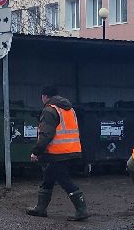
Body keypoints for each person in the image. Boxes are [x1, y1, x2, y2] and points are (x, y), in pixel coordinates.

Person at [27, 85, 88, 221]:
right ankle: (40, 208)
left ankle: (81, 209)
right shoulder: (69, 109)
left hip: (57, 153)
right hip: (72, 149)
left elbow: (46, 134)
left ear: (44, 96)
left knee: (64, 180)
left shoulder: (49, 110)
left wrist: (36, 151)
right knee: (48, 178)